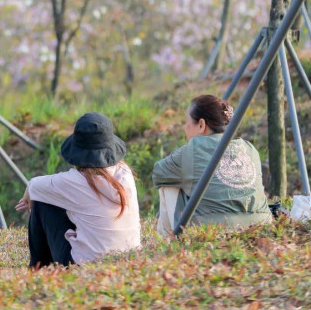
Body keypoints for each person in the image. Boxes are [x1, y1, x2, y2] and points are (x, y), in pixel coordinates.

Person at [15, 112, 140, 267]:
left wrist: (29, 192)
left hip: (86, 265)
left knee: (43, 203)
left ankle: (38, 268)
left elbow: (35, 186)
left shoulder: (76, 181)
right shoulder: (125, 173)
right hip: (130, 258)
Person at [153, 94, 273, 236]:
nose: (185, 128)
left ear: (201, 125)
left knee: (169, 180)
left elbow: (158, 173)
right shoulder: (249, 147)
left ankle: (169, 240)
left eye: (187, 123)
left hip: (211, 229)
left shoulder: (192, 148)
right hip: (262, 224)